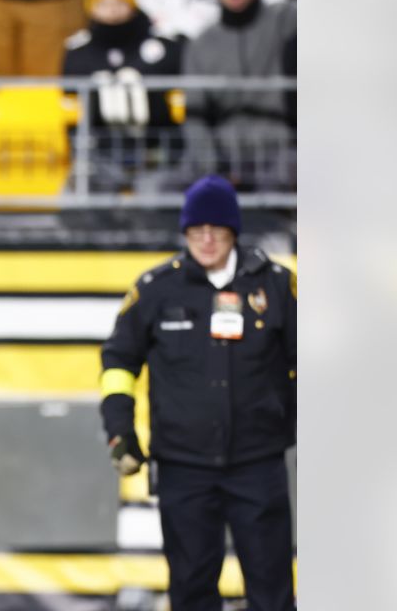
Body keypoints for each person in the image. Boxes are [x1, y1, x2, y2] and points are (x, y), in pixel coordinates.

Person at [100, 175, 296, 610]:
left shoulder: (276, 286)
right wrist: (120, 430)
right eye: (196, 230)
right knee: (190, 592)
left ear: (234, 231)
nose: (206, 240)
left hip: (257, 466)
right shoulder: (155, 289)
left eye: (217, 230)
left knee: (273, 593)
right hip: (183, 470)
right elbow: (118, 362)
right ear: (184, 232)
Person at [63, 0, 184, 193]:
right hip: (101, 155)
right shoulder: (77, 52)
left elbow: (180, 100)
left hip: (154, 154)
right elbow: (69, 110)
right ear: (90, 7)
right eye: (103, 3)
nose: (112, 9)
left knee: (160, 196)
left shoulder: (163, 46)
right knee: (76, 193)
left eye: (119, 1)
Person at [180, 0, 296, 191]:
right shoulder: (201, 44)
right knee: (158, 187)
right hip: (224, 156)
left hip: (279, 151)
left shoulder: (283, 20)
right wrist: (214, 169)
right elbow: (194, 116)